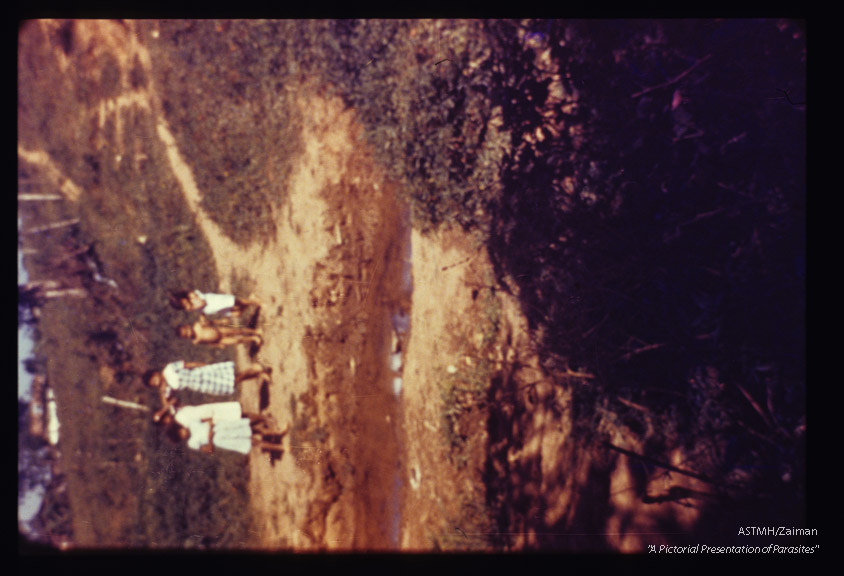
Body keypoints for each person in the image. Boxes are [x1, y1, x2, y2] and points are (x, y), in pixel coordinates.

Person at [154, 401, 288, 456]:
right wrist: (210, 438)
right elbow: (209, 449)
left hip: (221, 427)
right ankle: (281, 448)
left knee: (250, 426)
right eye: (181, 435)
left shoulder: (191, 424)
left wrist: (212, 423)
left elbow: (207, 420)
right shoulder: (192, 443)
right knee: (252, 441)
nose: (183, 433)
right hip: (221, 439)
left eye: (181, 431)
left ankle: (278, 433)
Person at [144, 360, 272, 413]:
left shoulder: (169, 369)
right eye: (153, 384)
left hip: (202, 374)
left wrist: (204, 366)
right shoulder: (167, 388)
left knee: (232, 380)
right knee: (231, 382)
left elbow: (188, 364)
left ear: (156, 373)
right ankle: (258, 374)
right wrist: (161, 392)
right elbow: (167, 405)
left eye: (154, 379)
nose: (156, 382)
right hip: (201, 386)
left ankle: (256, 368)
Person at [176, 315, 263, 349]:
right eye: (186, 335)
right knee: (236, 341)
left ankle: (255, 331)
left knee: (237, 331)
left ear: (187, 326)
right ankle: (253, 338)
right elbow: (208, 344)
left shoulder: (197, 325)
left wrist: (221, 321)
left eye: (186, 331)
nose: (188, 333)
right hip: (219, 340)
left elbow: (211, 322)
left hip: (219, 330)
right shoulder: (196, 341)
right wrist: (218, 345)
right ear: (185, 338)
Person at [169, 289, 261, 318]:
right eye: (182, 306)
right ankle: (251, 299)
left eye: (182, 302)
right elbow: (201, 309)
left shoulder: (191, 295)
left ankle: (257, 302)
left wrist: (192, 306)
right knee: (237, 313)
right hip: (213, 309)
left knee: (236, 302)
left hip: (213, 301)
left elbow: (202, 303)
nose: (185, 305)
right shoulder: (189, 307)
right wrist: (192, 307)